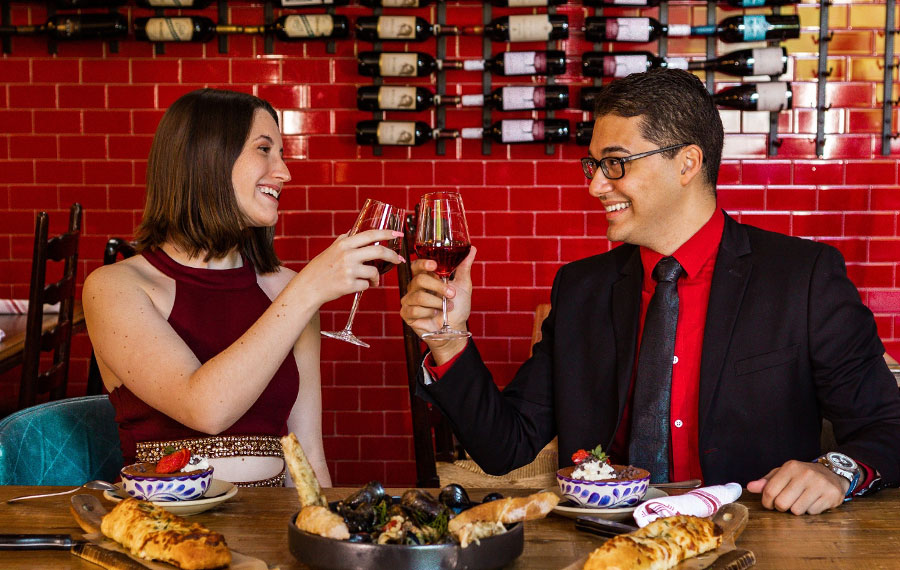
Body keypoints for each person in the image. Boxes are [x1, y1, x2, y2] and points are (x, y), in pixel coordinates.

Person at [400, 69, 900, 515]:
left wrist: (838, 471)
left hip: (754, 540)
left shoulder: (803, 278)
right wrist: (448, 339)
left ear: (687, 163)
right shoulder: (582, 289)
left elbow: (888, 425)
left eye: (616, 164)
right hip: (611, 548)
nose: (596, 186)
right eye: (592, 165)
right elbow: (504, 446)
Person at [84, 88, 403, 487]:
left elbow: (307, 455)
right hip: (164, 527)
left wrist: (326, 534)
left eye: (282, 154)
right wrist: (306, 292)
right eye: (264, 149)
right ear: (206, 158)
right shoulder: (115, 287)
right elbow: (206, 409)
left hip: (270, 526)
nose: (284, 172)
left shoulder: (286, 287)